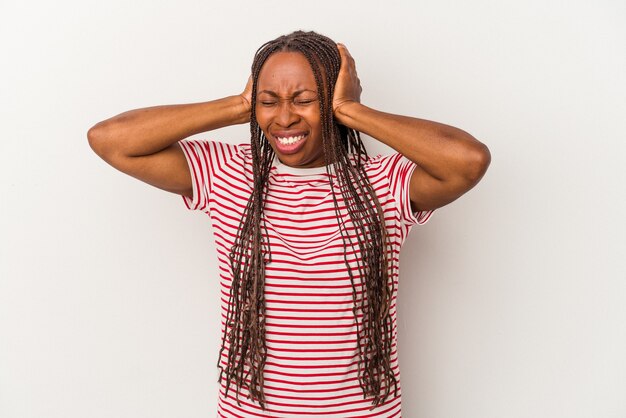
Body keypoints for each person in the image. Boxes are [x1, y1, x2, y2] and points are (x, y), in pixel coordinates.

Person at [88, 30, 490, 418]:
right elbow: (110, 139)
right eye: (269, 101)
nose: (284, 117)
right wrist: (237, 104)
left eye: (303, 99)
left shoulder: (383, 181)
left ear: (332, 99)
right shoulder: (228, 172)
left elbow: (468, 161)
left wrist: (352, 112)